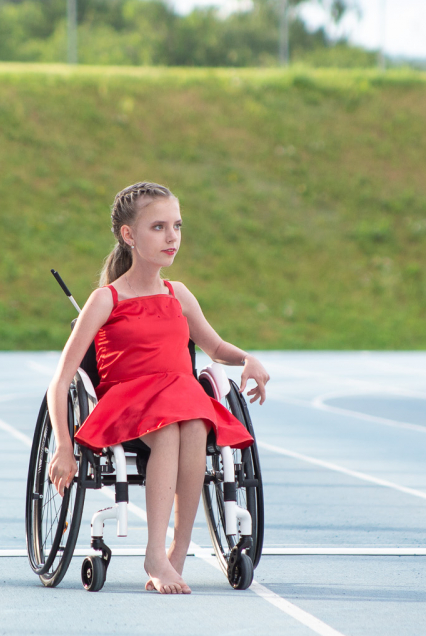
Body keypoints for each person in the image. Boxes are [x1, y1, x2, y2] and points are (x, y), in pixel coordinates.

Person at [46, 181, 269, 594]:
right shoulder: (106, 299)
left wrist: (247, 359)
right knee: (169, 429)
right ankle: (153, 554)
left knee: (197, 424)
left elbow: (216, 347)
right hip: (129, 401)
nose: (172, 237)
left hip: (180, 395)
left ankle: (175, 556)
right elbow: (61, 380)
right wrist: (62, 446)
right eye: (159, 227)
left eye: (177, 226)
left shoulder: (177, 293)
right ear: (129, 235)